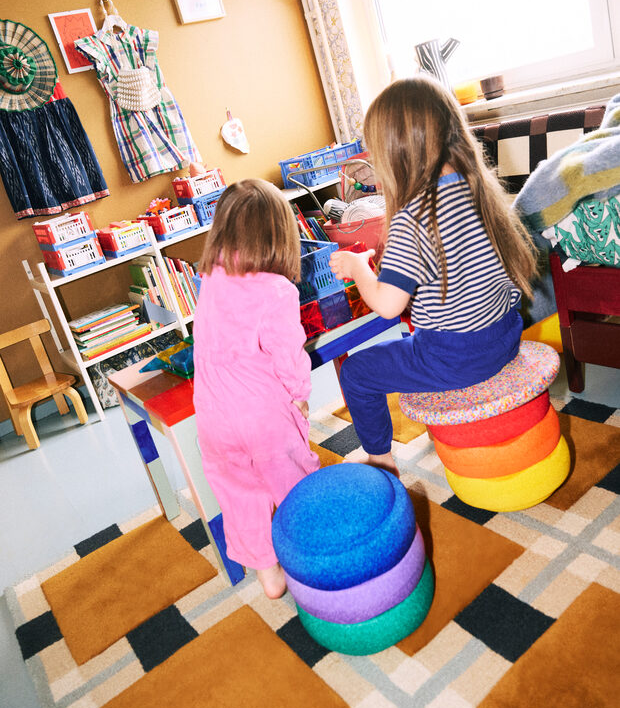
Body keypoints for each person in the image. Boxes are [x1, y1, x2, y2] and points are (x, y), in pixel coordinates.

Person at [329, 76, 537, 476]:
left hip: (457, 359)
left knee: (357, 373)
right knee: (419, 332)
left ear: (395, 153)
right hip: (506, 336)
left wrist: (359, 269)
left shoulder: (412, 218)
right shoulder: (477, 188)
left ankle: (379, 457)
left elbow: (389, 306)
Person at [193, 179, 319, 598]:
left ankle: (268, 574)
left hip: (212, 415)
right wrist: (300, 393)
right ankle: (313, 550)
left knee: (240, 493)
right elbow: (288, 353)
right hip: (262, 415)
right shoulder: (277, 290)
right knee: (292, 478)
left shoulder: (210, 277)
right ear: (279, 235)